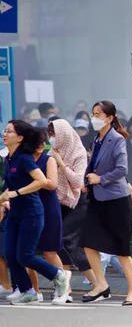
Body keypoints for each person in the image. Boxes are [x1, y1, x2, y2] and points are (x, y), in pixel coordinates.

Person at [1, 120, 71, 304]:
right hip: (15, 213)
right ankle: (27, 291)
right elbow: (8, 186)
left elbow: (41, 181)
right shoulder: (8, 158)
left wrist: (16, 193)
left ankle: (59, 274)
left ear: (20, 137)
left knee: (25, 256)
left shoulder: (24, 158)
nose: (4, 134)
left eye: (9, 131)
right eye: (5, 130)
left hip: (31, 212)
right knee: (10, 254)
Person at [79, 101, 132, 306]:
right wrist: (88, 180)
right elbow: (93, 165)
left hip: (116, 199)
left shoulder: (117, 139)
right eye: (93, 113)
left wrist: (101, 179)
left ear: (110, 117)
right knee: (88, 241)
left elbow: (122, 170)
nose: (94, 118)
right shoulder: (97, 139)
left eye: (98, 114)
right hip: (97, 198)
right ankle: (101, 285)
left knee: (121, 248)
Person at [48, 119, 100, 300]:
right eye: (50, 135)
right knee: (61, 243)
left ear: (64, 134)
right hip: (59, 202)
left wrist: (61, 164)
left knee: (67, 239)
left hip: (78, 201)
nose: (52, 138)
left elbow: (78, 182)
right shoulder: (52, 152)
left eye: (55, 134)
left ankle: (99, 284)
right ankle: (67, 289)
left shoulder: (78, 153)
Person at [26, 130, 65, 301]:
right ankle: (34, 291)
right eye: (37, 142)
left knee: (50, 252)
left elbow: (52, 184)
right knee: (27, 252)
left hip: (48, 208)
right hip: (28, 208)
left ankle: (63, 290)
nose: (41, 145)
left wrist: (35, 179)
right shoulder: (24, 159)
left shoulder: (47, 159)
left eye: (43, 142)